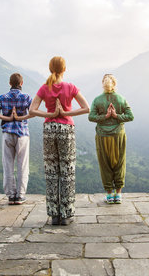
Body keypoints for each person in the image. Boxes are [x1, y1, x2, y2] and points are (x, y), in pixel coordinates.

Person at [29, 56, 89, 226]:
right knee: (67, 172)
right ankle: (66, 214)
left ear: (50, 69)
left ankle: (54, 215)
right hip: (66, 130)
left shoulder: (44, 88)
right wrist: (65, 113)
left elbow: (32, 109)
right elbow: (86, 107)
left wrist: (50, 115)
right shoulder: (70, 87)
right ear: (64, 69)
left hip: (49, 130)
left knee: (51, 171)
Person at [88, 74, 134, 204]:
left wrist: (105, 116)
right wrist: (116, 116)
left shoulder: (97, 100)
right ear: (114, 84)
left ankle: (109, 194)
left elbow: (91, 117)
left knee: (105, 163)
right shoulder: (121, 99)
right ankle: (118, 194)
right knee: (119, 162)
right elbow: (130, 116)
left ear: (103, 84)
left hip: (102, 136)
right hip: (118, 135)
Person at [0, 73, 34, 206]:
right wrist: (21, 117)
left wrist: (8, 118)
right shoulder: (26, 97)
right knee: (22, 165)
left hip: (7, 133)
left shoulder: (3, 97)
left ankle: (11, 195)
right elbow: (34, 112)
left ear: (10, 83)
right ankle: (20, 195)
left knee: (8, 165)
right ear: (21, 83)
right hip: (22, 133)